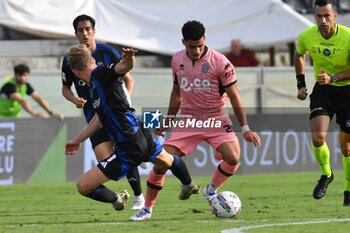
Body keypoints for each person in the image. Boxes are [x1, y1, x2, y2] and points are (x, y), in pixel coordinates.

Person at [130, 20, 261, 221]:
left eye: (200, 45)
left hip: (216, 117)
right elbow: (176, 93)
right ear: (184, 42)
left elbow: (234, 96)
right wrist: (168, 120)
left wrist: (245, 128)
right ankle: (147, 209)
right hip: (189, 119)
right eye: (192, 46)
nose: (197, 50)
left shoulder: (221, 62)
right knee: (160, 163)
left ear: (205, 40)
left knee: (233, 158)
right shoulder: (176, 60)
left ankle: (210, 190)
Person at [65, 44, 198, 215]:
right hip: (139, 134)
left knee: (83, 185)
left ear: (75, 71)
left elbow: (122, 67)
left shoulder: (101, 73)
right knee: (168, 160)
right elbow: (98, 119)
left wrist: (128, 59)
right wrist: (77, 141)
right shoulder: (95, 86)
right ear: (91, 59)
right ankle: (188, 184)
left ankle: (118, 199)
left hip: (128, 144)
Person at [61, 14, 145, 210]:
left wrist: (122, 103)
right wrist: (75, 99)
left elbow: (128, 79)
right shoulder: (69, 60)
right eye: (80, 30)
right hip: (95, 119)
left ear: (94, 31)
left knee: (125, 152)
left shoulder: (108, 53)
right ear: (75, 33)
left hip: (116, 115)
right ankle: (117, 197)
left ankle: (139, 197)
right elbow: (65, 88)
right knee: (107, 163)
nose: (85, 33)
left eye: (88, 29)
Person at [294, 0, 350, 206]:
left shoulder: (348, 36)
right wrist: (300, 84)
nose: (323, 21)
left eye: (327, 16)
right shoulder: (307, 36)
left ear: (335, 15)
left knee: (347, 147)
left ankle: (348, 189)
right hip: (323, 92)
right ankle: (327, 174)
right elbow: (299, 54)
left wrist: (334, 77)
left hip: (347, 91)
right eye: (318, 16)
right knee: (318, 138)